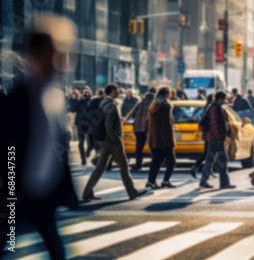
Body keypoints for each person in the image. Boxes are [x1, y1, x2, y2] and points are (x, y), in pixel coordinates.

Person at [1, 13, 79, 260]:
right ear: (36, 55)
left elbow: (58, 148)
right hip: (15, 194)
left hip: (45, 198)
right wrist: (11, 188)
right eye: (56, 51)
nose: (61, 59)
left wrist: (65, 192)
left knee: (57, 251)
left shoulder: (56, 97)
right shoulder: (16, 99)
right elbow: (7, 148)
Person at [82, 83, 147, 201]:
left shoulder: (102, 102)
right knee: (123, 164)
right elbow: (108, 125)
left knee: (100, 167)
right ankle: (131, 191)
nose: (118, 93)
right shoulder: (111, 105)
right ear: (112, 91)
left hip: (103, 139)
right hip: (112, 140)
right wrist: (116, 139)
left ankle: (87, 191)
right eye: (116, 91)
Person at [199, 91, 235, 189]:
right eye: (224, 99)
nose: (225, 101)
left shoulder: (214, 106)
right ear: (220, 99)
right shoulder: (215, 107)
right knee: (223, 158)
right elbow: (215, 124)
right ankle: (224, 183)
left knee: (210, 159)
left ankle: (203, 181)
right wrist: (220, 136)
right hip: (216, 137)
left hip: (213, 137)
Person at [146, 86, 177, 189]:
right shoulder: (165, 106)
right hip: (163, 140)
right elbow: (166, 124)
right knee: (172, 161)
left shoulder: (154, 104)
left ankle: (151, 181)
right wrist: (168, 139)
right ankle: (165, 181)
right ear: (167, 95)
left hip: (154, 138)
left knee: (156, 160)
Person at [190, 93, 217, 178]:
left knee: (209, 152)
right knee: (208, 152)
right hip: (210, 133)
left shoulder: (207, 106)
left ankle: (206, 168)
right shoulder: (211, 107)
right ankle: (196, 167)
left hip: (207, 133)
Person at [130, 87, 156, 171]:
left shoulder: (140, 103)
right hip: (149, 128)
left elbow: (133, 115)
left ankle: (138, 165)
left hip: (138, 128)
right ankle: (154, 164)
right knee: (152, 146)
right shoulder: (154, 103)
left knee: (139, 147)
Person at [69, 87, 94, 165]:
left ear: (89, 92)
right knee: (81, 142)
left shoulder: (92, 101)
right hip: (80, 123)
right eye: (84, 92)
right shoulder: (80, 101)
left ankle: (88, 151)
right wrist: (80, 100)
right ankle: (83, 159)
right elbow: (72, 109)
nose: (85, 93)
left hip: (90, 124)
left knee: (91, 141)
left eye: (87, 92)